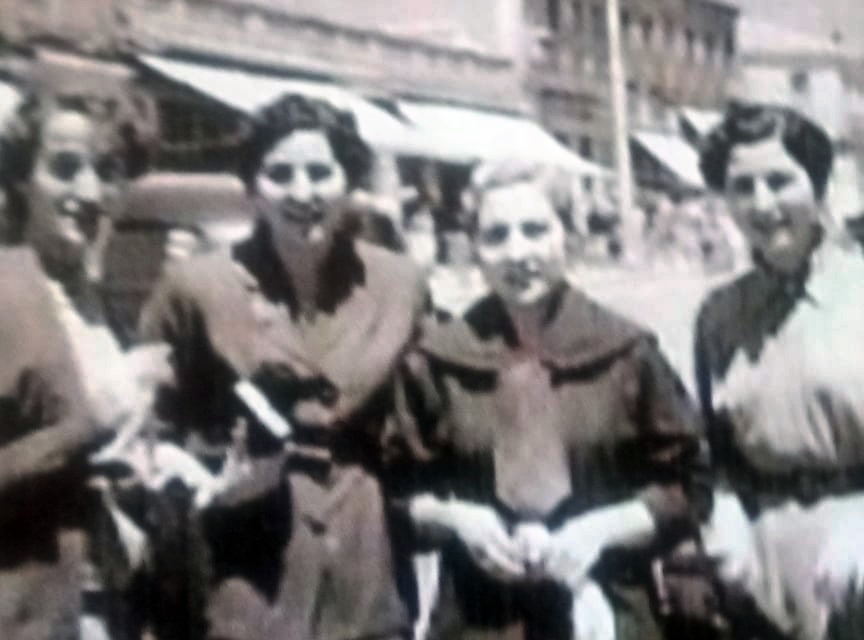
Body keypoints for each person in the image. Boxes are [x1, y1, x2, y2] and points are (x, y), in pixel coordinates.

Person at [384, 160, 709, 640]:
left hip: (609, 608)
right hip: (481, 615)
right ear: (474, 248)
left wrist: (604, 528)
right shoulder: (437, 361)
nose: (518, 253)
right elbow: (395, 490)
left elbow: (690, 482)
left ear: (567, 235)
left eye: (535, 230)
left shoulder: (626, 353)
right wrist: (455, 519)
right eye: (496, 236)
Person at [140, 93, 425, 640]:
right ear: (252, 186)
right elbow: (149, 430)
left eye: (320, 172)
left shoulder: (400, 285)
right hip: (247, 573)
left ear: (348, 181)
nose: (301, 192)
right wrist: (202, 476)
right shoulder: (196, 288)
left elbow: (428, 420)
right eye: (279, 174)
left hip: (366, 569)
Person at [694, 102, 864, 640]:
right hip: (763, 565)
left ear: (819, 184)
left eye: (780, 181)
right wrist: (725, 514)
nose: (762, 203)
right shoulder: (719, 316)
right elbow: (714, 451)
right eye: (742, 187)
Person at [0, 89, 158, 639]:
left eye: (107, 171)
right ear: (22, 178)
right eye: (65, 168)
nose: (88, 192)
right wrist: (92, 422)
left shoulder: (94, 302)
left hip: (95, 611)